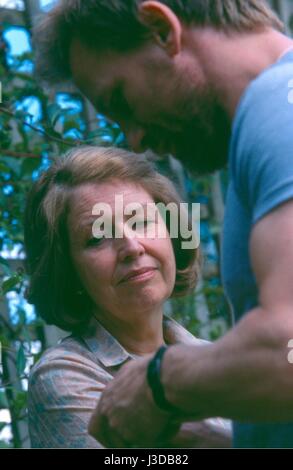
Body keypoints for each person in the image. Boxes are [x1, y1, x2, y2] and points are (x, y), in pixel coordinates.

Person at [34, 0, 293, 448]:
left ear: (161, 29)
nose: (137, 140)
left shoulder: (277, 113)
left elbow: (285, 351)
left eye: (121, 99)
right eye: (97, 236)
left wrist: (159, 383)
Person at [25, 146, 231, 448]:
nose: (132, 246)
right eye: (97, 237)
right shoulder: (62, 377)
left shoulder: (213, 357)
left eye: (141, 222)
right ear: (68, 271)